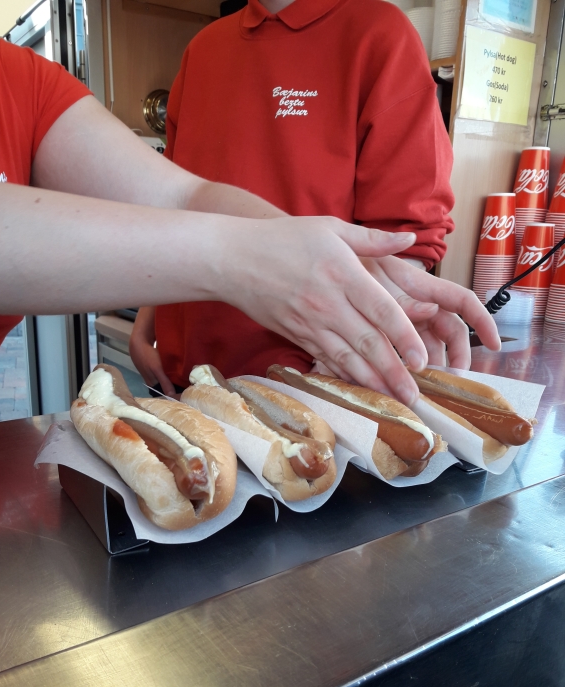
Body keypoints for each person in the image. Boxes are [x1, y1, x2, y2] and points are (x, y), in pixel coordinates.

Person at [0, 25, 499, 428]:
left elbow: (182, 196)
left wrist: (338, 264)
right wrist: (237, 260)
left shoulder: (9, 75)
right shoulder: (205, 50)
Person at [131, 0, 465, 397]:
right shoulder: (203, 48)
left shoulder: (378, 33)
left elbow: (404, 235)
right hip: (183, 378)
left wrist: (344, 359)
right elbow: (176, 202)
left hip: (305, 385)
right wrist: (145, 322)